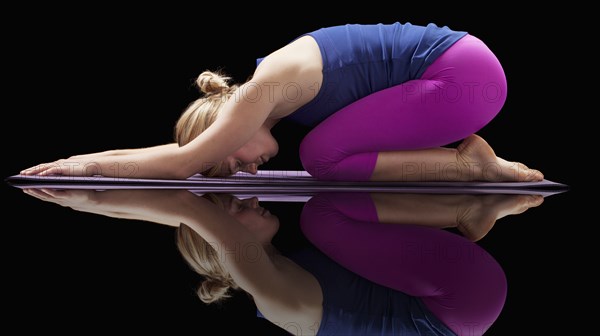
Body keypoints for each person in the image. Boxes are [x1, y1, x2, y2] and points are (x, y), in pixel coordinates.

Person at [21, 22, 543, 182]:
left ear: (223, 129)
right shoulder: (270, 100)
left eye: (231, 161)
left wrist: (82, 168)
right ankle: (468, 166)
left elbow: (180, 164)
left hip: (462, 77)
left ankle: (470, 165)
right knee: (332, 158)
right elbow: (179, 153)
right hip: (464, 76)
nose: (249, 171)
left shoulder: (259, 91)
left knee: (321, 158)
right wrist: (103, 155)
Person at [21, 187, 544, 335]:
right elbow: (181, 204)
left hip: (460, 301)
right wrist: (86, 190)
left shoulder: (287, 271)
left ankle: (473, 193)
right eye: (230, 212)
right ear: (221, 243)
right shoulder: (272, 296)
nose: (246, 201)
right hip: (457, 310)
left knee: (332, 210)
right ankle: (475, 199)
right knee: (326, 211)